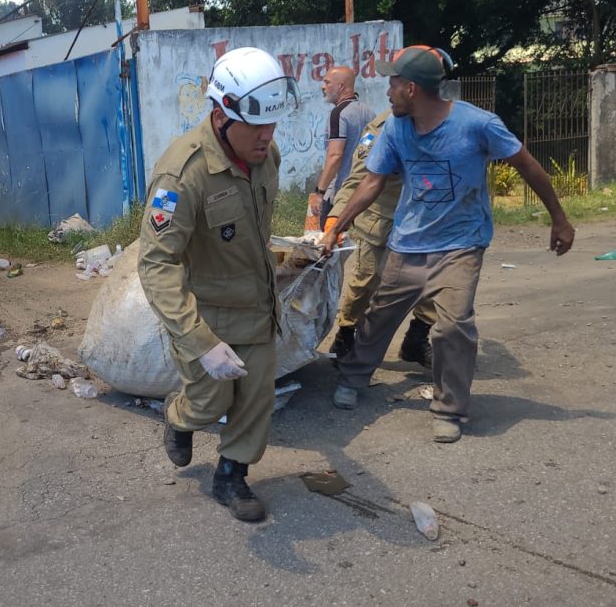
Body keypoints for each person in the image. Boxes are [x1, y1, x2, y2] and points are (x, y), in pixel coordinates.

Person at [318, 45, 575, 443]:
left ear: (412, 89)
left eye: (393, 84)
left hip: (461, 244)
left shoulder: (478, 124)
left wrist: (559, 218)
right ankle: (353, 377)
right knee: (380, 314)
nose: (387, 91)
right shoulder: (396, 129)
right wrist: (337, 227)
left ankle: (449, 408)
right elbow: (371, 182)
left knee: (454, 326)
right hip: (408, 243)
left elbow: (526, 164)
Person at [138, 47, 298, 522]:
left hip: (257, 305)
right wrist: (199, 341)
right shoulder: (182, 175)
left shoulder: (266, 156)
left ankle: (232, 474)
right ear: (222, 114)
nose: (267, 136)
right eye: (256, 126)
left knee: (257, 396)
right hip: (205, 315)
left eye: (273, 124)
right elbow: (157, 263)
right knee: (210, 402)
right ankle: (179, 417)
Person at [325, 109, 436, 369]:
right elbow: (358, 178)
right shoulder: (382, 127)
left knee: (433, 279)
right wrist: (336, 219)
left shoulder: (442, 119)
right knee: (366, 281)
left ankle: (417, 337)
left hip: (423, 219)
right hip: (383, 217)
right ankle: (346, 334)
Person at [313, 66, 375, 228]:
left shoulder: (338, 114)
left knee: (329, 238)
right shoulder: (369, 113)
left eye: (327, 82)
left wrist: (319, 192)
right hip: (363, 193)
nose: (323, 87)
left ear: (340, 86)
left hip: (339, 195)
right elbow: (366, 147)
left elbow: (335, 156)